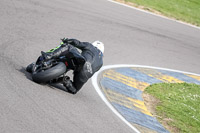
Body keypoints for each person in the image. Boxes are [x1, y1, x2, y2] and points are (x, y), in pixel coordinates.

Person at [26, 38, 104, 94]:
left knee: (68, 46)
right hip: (85, 74)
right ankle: (65, 81)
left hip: (81, 61)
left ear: (95, 45)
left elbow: (77, 43)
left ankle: (49, 56)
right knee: (74, 89)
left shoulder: (90, 46)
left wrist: (67, 40)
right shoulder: (101, 63)